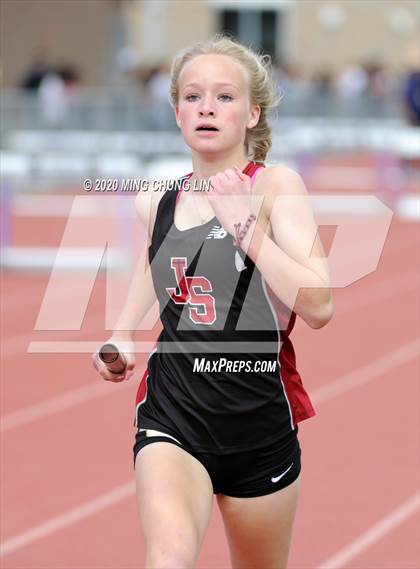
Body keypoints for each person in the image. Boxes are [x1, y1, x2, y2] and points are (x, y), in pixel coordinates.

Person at [92, 34, 333, 569]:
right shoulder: (155, 198)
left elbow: (318, 306)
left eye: (224, 97)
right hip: (173, 416)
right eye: (193, 96)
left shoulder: (276, 188)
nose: (206, 107)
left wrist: (244, 225)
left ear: (253, 114)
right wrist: (121, 333)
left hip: (259, 424)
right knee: (170, 558)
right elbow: (154, 269)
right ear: (177, 111)